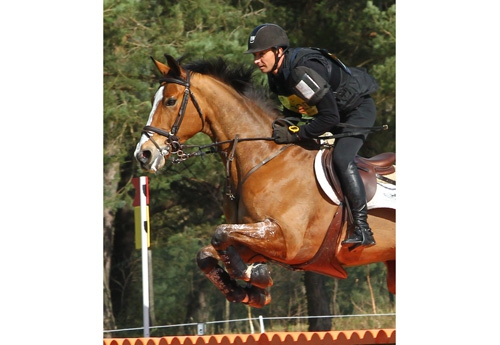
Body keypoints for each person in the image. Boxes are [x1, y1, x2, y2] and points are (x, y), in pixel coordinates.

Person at [244, 23, 379, 248]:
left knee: (341, 158)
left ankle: (363, 229)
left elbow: (329, 119)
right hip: (332, 113)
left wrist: (297, 135)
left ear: (278, 51)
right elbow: (293, 110)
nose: (257, 60)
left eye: (261, 54)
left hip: (356, 112)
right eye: (255, 56)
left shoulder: (300, 73)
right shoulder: (276, 75)